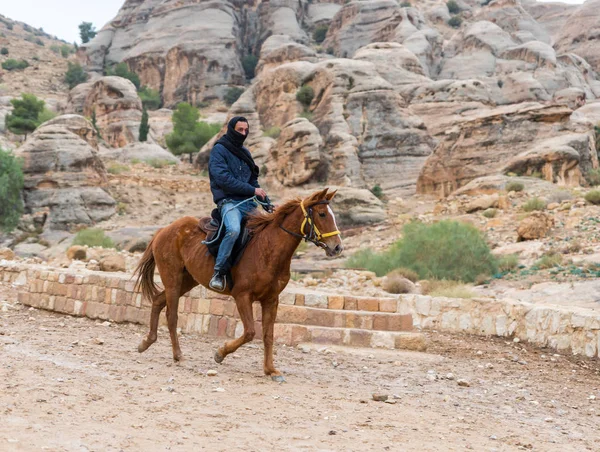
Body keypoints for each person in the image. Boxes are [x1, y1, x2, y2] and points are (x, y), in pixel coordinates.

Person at [207, 116, 268, 292]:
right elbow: (224, 179)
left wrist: (267, 204)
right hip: (229, 202)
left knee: (268, 230)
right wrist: (251, 191)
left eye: (246, 130)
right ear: (231, 129)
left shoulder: (245, 152)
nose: (243, 133)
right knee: (233, 230)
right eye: (240, 130)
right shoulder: (219, 150)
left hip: (247, 203)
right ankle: (218, 272)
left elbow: (253, 183)